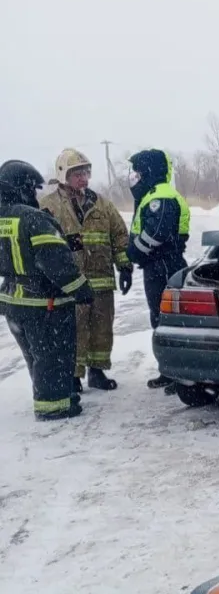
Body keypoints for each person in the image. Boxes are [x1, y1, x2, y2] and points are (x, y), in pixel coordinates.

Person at [0, 159, 95, 421]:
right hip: (45, 303)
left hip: (13, 301)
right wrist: (81, 290)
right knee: (53, 356)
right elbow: (55, 262)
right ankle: (55, 406)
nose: (34, 195)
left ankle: (48, 396)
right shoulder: (33, 218)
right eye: (32, 190)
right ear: (21, 188)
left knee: (36, 356)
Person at [40, 149, 133, 393]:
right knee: (74, 329)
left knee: (102, 327)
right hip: (70, 282)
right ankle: (73, 375)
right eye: (77, 173)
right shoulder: (48, 206)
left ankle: (97, 371)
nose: (83, 178)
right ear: (63, 175)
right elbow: (41, 243)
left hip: (101, 279)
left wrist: (124, 266)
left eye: (85, 172)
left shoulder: (102, 203)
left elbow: (119, 235)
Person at [126, 149, 190, 390]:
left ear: (150, 172)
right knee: (160, 318)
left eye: (139, 172)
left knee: (169, 320)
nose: (135, 177)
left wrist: (134, 251)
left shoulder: (161, 197)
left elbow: (157, 233)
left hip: (164, 265)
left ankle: (181, 373)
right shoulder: (154, 194)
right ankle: (169, 369)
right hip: (157, 265)